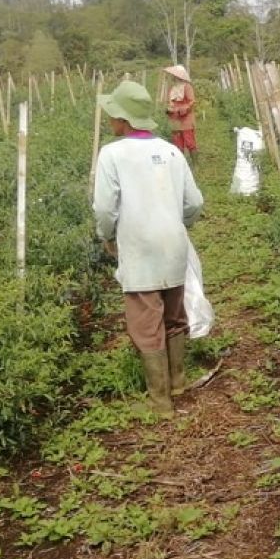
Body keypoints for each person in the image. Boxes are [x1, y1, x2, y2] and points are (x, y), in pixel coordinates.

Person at [93, 80, 204, 417]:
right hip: (173, 244)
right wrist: (177, 222)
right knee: (174, 315)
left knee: (146, 323)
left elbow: (104, 209)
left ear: (122, 120)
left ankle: (160, 402)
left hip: (139, 248)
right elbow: (195, 203)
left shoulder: (112, 155)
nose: (109, 120)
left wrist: (107, 235)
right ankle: (178, 382)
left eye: (112, 114)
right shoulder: (171, 152)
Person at [163, 64, 198, 166]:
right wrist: (168, 109)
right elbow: (169, 102)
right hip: (175, 119)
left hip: (186, 118)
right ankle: (181, 165)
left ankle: (195, 165)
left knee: (190, 142)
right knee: (177, 143)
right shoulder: (172, 88)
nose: (175, 77)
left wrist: (183, 109)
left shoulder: (187, 87)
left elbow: (192, 101)